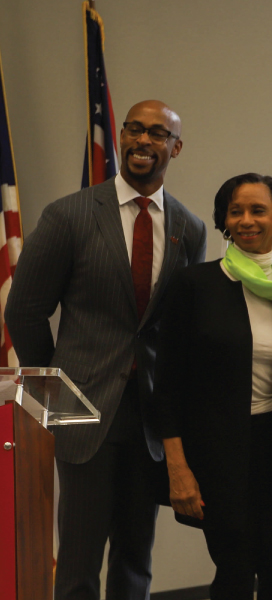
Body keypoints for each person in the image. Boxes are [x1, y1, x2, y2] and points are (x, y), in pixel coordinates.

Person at [4, 100, 206, 599]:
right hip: (83, 412)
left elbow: (177, 329)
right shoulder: (70, 215)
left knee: (136, 558)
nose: (143, 140)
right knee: (78, 561)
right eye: (134, 129)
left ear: (176, 147)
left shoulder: (189, 227)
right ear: (121, 136)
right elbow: (24, 311)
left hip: (150, 418)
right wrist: (56, 395)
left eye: (157, 133)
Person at [153, 173, 272, 600]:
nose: (246, 220)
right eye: (235, 211)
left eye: (258, 210)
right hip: (217, 457)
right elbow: (166, 386)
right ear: (224, 221)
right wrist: (178, 470)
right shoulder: (195, 285)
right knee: (235, 574)